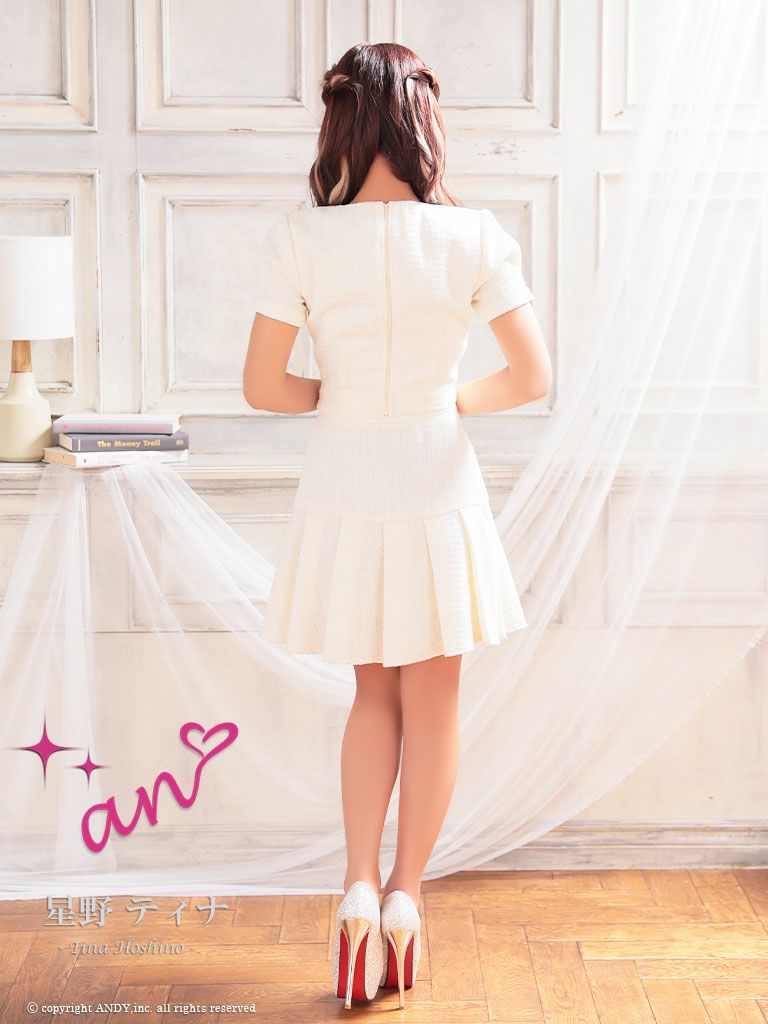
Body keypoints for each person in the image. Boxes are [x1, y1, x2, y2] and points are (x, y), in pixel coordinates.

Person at [242, 42, 551, 1009]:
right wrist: (447, 399)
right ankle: (408, 899)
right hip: (435, 483)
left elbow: (262, 387)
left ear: (342, 124)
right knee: (436, 701)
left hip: (345, 480)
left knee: (370, 693)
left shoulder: (303, 238)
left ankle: (356, 888)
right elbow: (532, 377)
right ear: (425, 123)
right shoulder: (472, 237)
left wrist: (335, 395)